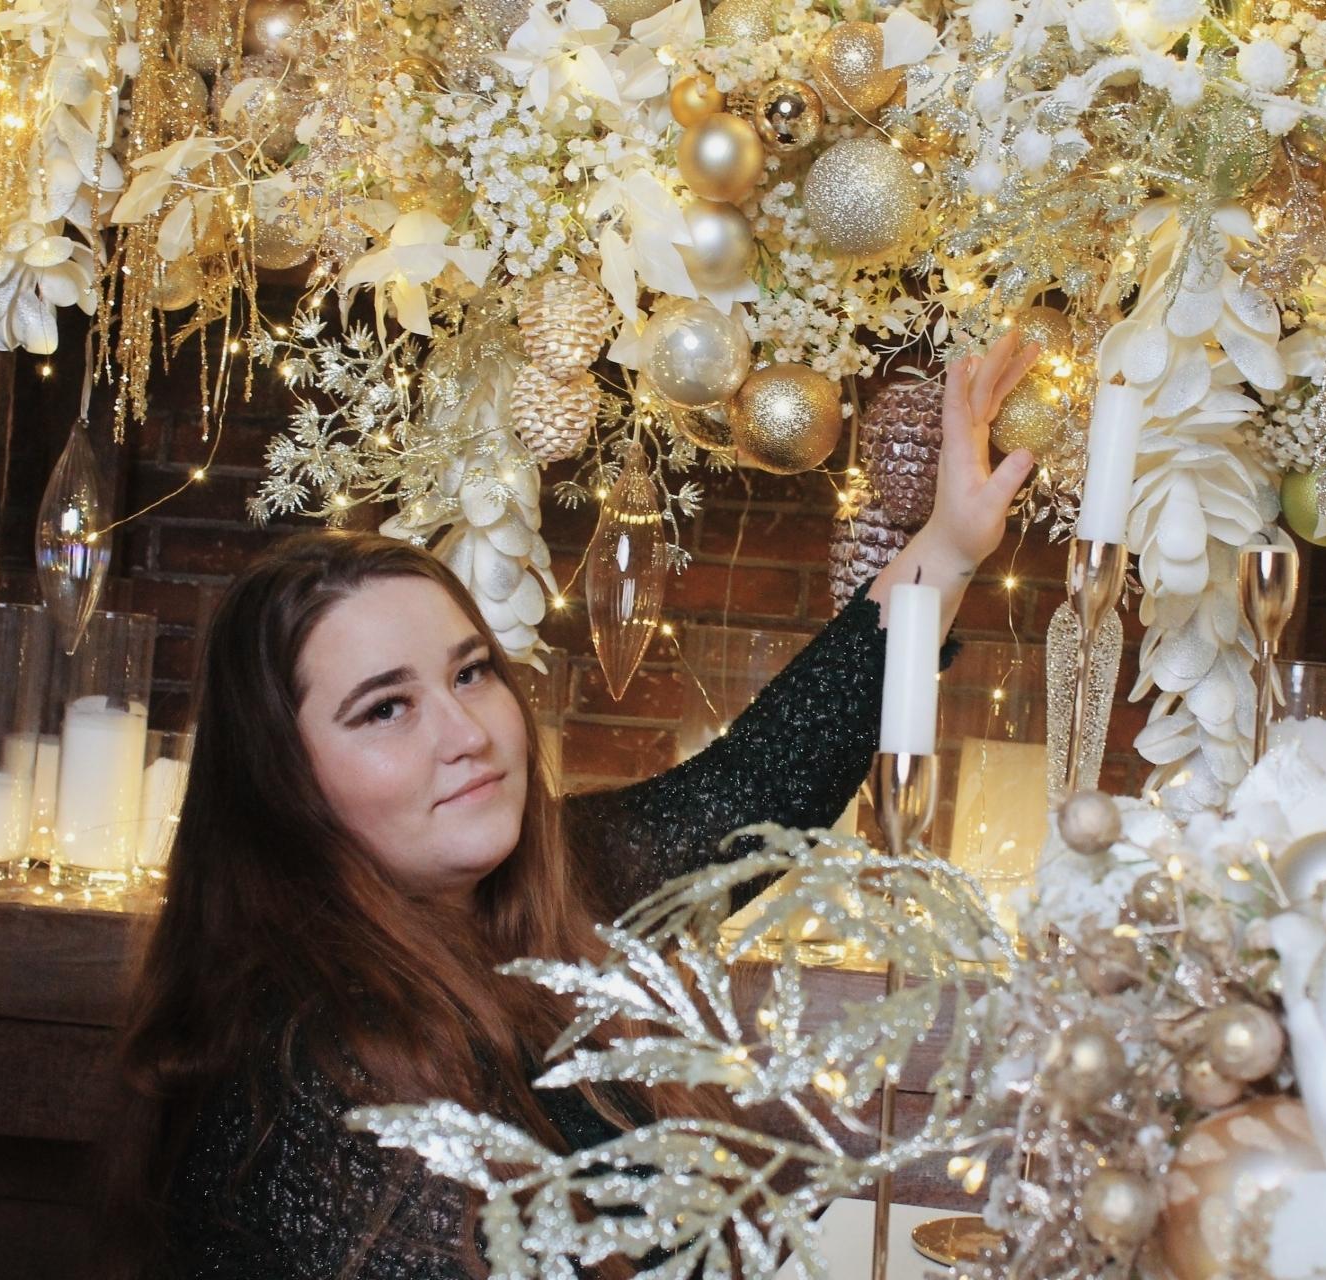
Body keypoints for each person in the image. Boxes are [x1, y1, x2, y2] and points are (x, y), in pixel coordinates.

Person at [108, 333, 1040, 1278]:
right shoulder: (302, 1075)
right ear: (281, 777)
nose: (466, 733)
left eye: (470, 674)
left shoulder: (556, 885)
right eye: (385, 709)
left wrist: (950, 546)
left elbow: (761, 776)